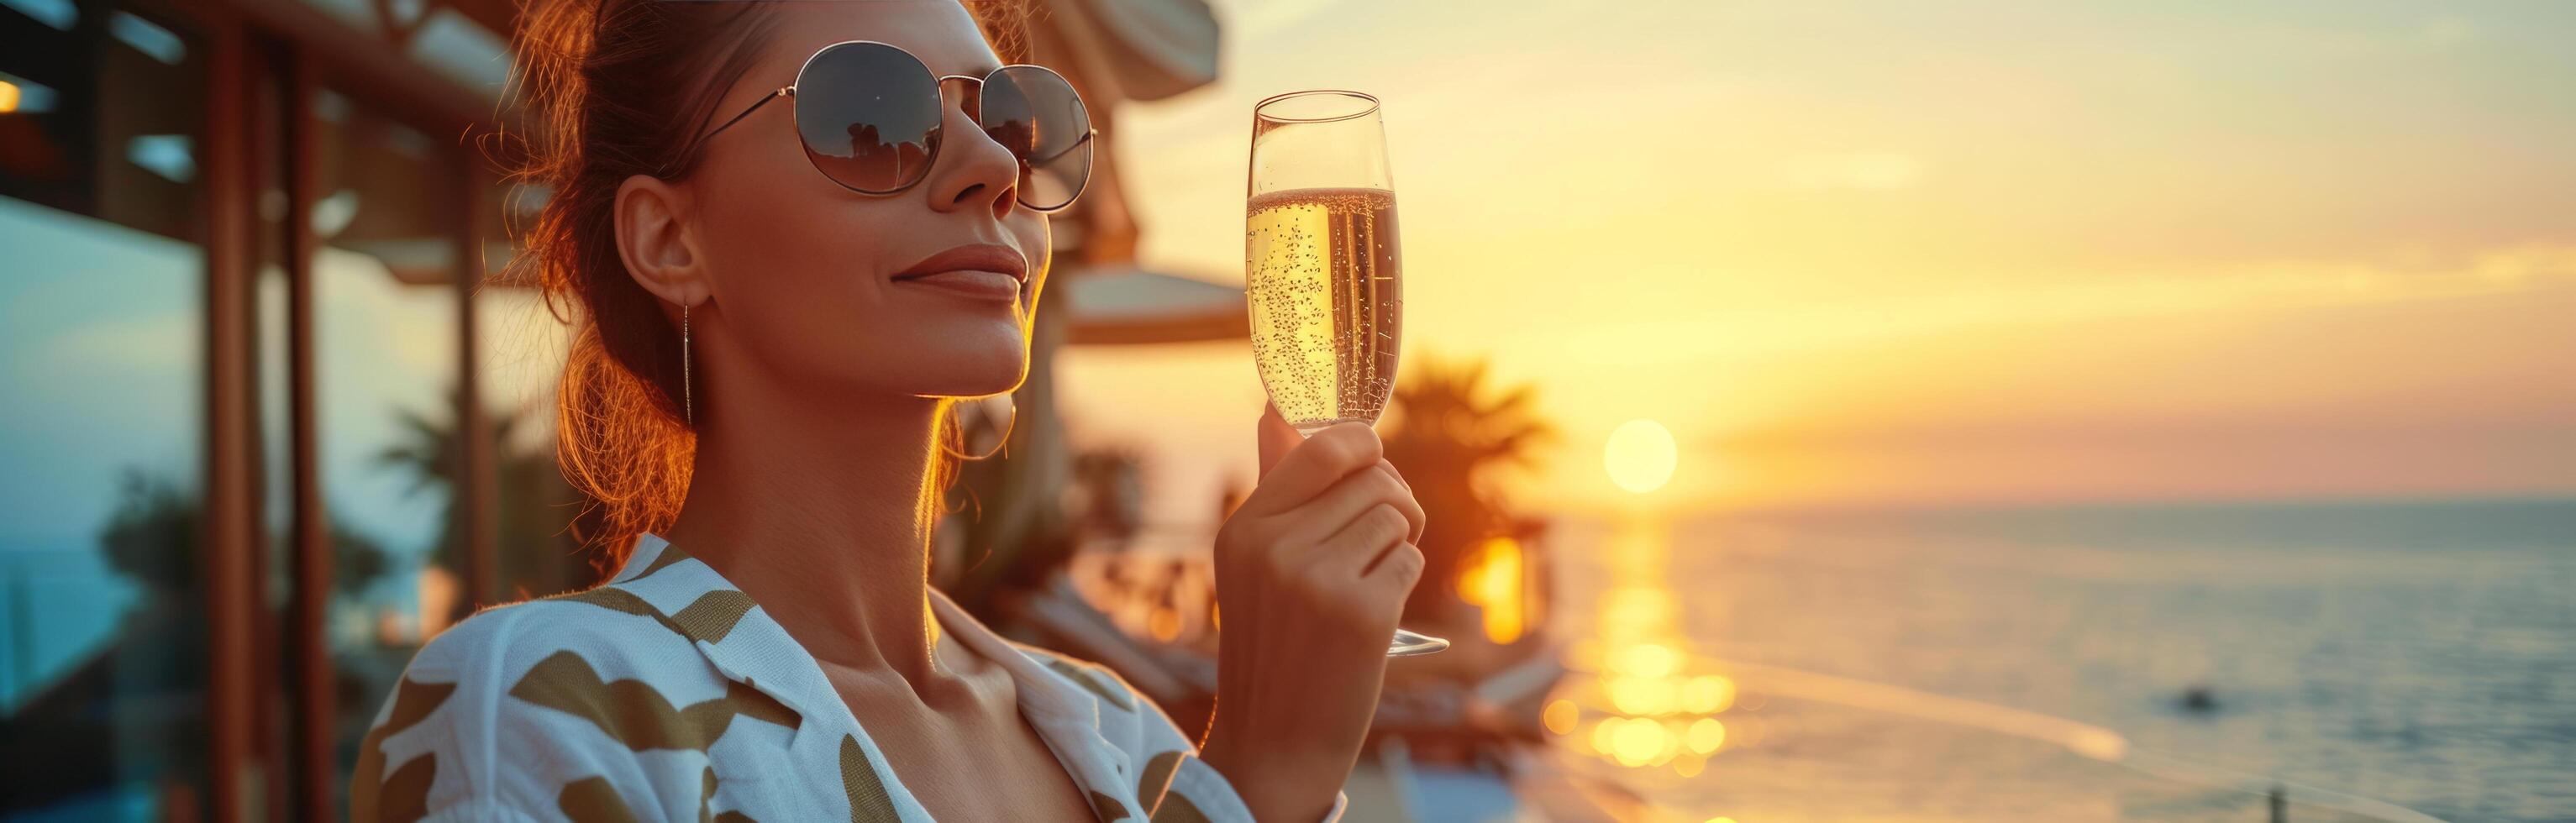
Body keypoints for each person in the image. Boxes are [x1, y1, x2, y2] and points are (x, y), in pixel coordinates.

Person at [347, 1, 1427, 820]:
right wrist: (1261, 780)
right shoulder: (551, 706)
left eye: (1016, 116)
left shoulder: (1115, 737)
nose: (993, 169)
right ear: (671, 241)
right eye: (870, 116)